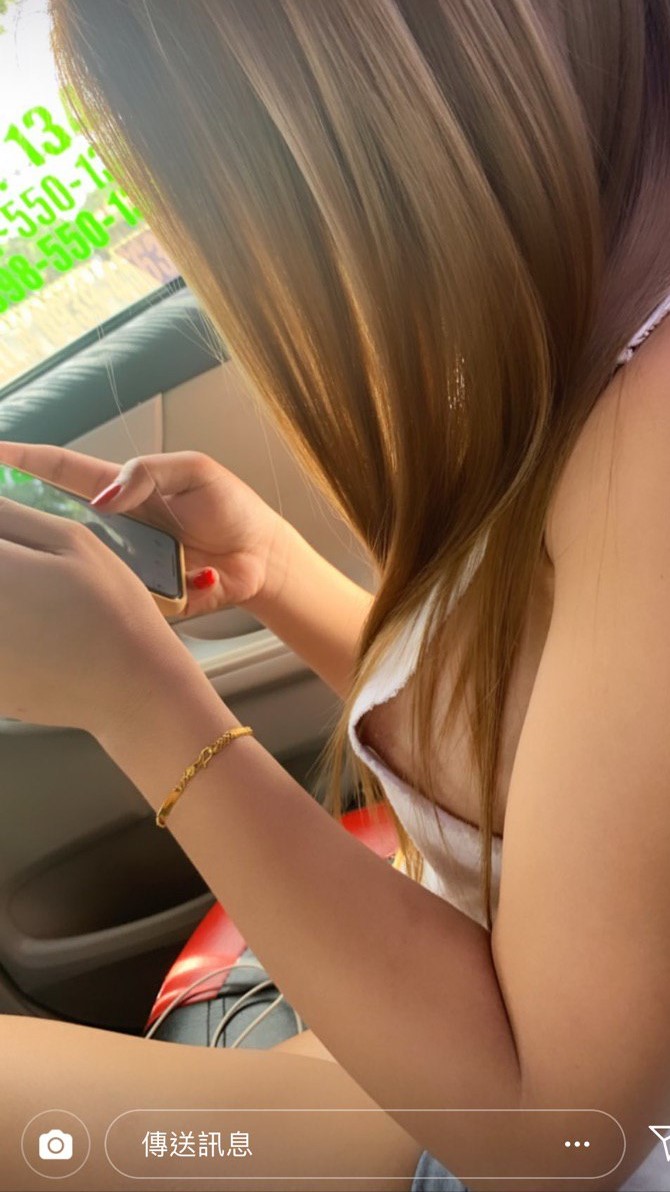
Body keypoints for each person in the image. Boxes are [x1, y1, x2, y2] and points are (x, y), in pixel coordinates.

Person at [1, 2, 670, 1188]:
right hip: (495, 1009)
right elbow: (542, 758)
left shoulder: (647, 451)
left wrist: (137, 698)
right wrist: (277, 570)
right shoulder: (594, 361)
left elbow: (559, 1137)